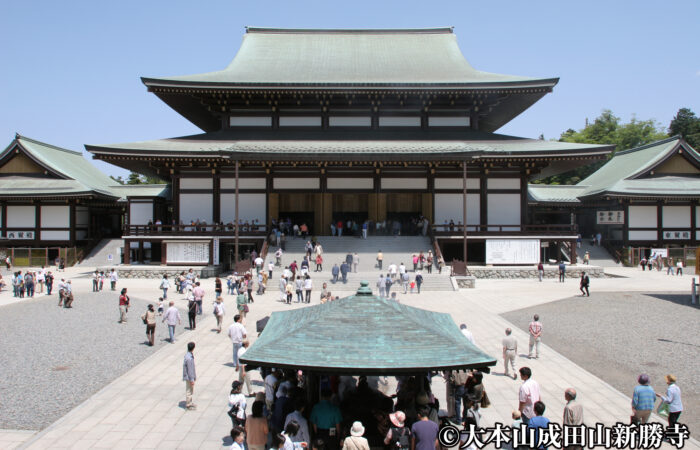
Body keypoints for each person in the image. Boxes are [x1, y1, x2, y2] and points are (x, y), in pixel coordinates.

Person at [183, 342, 197, 410]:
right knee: (189, 390)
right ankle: (188, 404)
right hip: (189, 377)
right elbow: (190, 369)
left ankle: (190, 402)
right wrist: (192, 379)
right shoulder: (189, 358)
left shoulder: (188, 355)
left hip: (189, 376)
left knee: (191, 390)